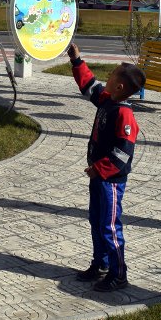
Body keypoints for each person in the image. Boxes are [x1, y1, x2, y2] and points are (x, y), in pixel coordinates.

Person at [68, 43, 146, 291]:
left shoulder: (125, 116)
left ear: (120, 87)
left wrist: (99, 169)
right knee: (96, 220)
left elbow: (122, 154)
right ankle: (100, 265)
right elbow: (90, 86)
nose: (107, 78)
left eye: (111, 76)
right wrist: (77, 60)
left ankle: (118, 273)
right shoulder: (107, 100)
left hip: (111, 181)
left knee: (110, 226)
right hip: (98, 177)